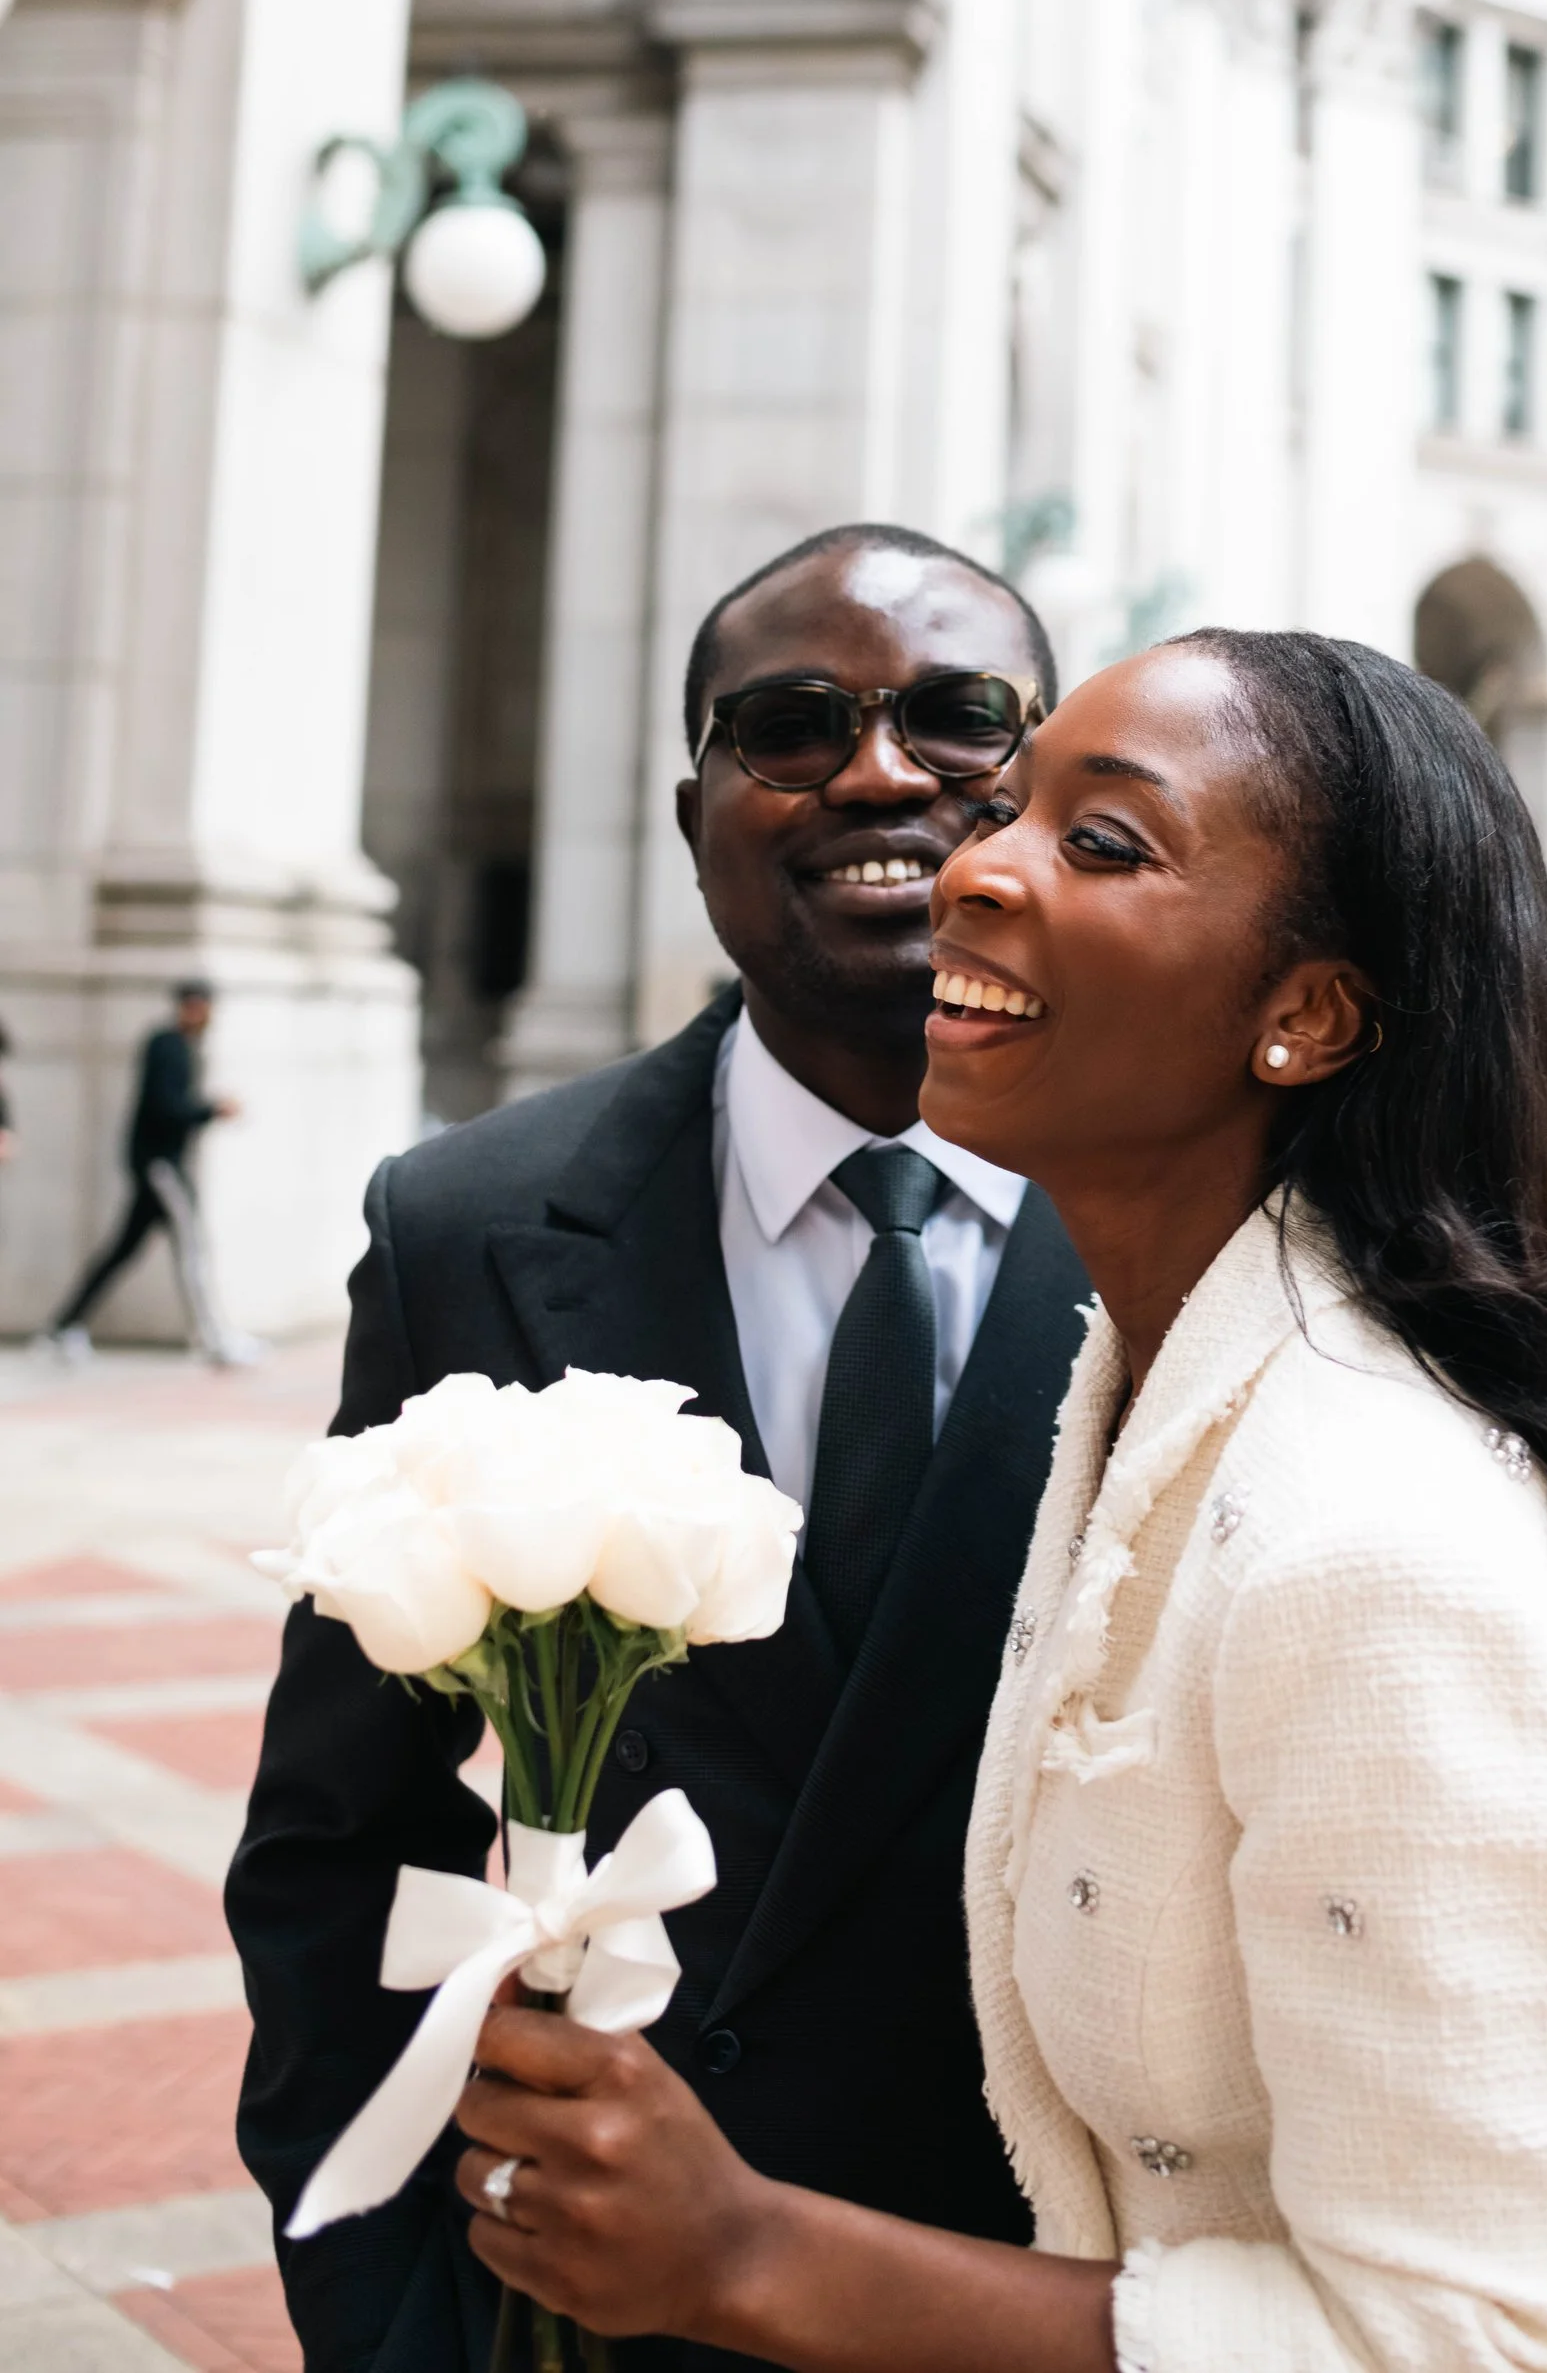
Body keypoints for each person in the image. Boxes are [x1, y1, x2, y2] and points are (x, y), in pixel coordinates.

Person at [441, 631, 1547, 2372]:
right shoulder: (1155, 1394)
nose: (971, 866)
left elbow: (1499, 2344)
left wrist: (750, 2259)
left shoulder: (1366, 1540)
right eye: (1014, 810)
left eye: (1101, 841)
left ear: (1309, 1013)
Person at [227, 524, 1095, 2373]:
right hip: (618, 2321)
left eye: (955, 721)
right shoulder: (475, 1224)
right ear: (692, 800)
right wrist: (397, 2321)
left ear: (1042, 791)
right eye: (790, 725)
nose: (876, 772)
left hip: (1068, 2284)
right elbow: (336, 1835)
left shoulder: (1206, 1208)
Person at [48, 979, 252, 1363]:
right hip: (161, 1166)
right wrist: (211, 1110)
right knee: (192, 1247)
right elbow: (165, 1107)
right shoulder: (168, 1046)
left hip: (156, 1164)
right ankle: (214, 1338)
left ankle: (64, 1327)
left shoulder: (175, 1046)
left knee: (123, 1250)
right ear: (192, 1007)